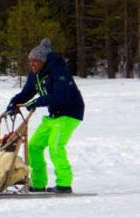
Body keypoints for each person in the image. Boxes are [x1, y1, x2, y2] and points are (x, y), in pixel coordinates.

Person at [7, 38, 85, 193]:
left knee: (55, 146)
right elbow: (27, 93)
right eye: (30, 61)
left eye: (35, 61)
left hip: (70, 113)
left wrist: (37, 102)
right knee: (34, 146)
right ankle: (38, 183)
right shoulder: (35, 75)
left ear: (43, 61)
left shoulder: (59, 71)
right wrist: (14, 103)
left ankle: (64, 184)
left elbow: (60, 96)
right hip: (54, 116)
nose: (32, 64)